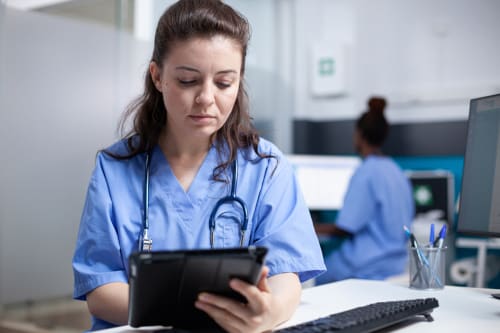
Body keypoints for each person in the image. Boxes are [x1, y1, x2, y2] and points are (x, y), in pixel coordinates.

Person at [72, 0, 326, 331]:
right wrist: (198, 316)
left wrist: (268, 312)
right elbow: (101, 288)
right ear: (158, 76)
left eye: (224, 83)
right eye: (188, 80)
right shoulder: (114, 169)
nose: (206, 97)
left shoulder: (266, 167)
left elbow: (286, 274)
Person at [314, 96, 414, 284]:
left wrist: (310, 227)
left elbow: (345, 228)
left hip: (367, 265)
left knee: (311, 277)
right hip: (396, 264)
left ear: (359, 135)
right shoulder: (396, 171)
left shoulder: (366, 172)